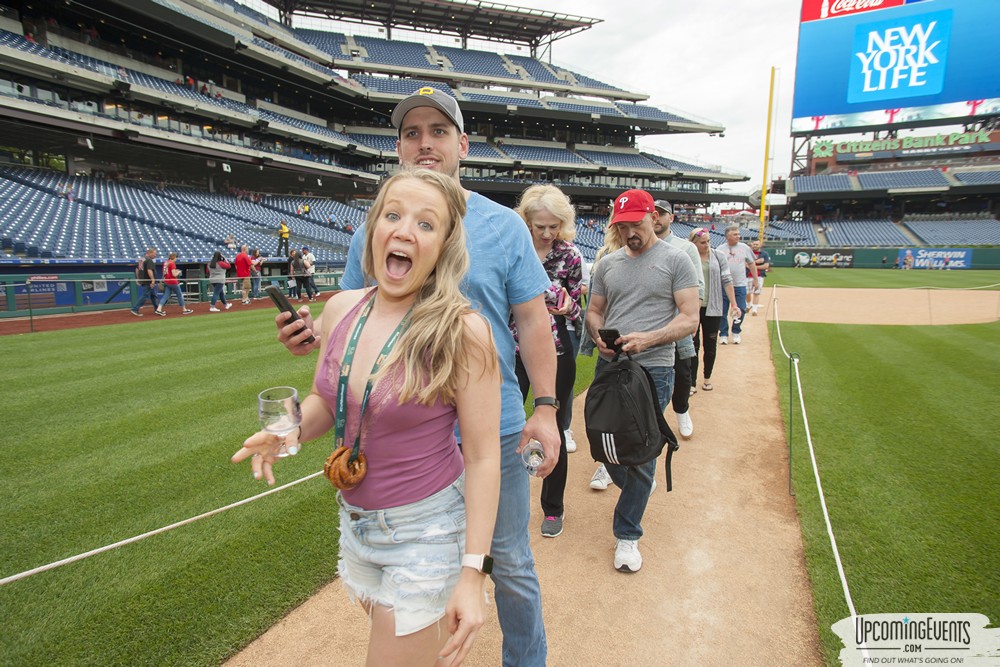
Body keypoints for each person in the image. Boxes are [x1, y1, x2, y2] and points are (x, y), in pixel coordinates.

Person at [275, 88, 558, 666]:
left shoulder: (504, 226)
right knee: (405, 604)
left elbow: (533, 321)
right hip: (397, 436)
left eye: (438, 131)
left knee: (507, 562)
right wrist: (312, 339)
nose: (424, 143)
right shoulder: (374, 231)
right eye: (411, 133)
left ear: (463, 144)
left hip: (492, 426)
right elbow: (358, 323)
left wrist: (548, 408)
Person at [234, 169, 502, 666]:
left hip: (426, 533)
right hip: (356, 528)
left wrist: (472, 574)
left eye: (426, 224)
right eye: (392, 215)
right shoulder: (341, 308)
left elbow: (485, 458)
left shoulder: (464, 332)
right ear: (374, 228)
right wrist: (286, 429)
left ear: (444, 246)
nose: (404, 231)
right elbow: (325, 400)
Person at [585, 189, 699, 572]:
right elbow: (594, 311)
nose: (629, 232)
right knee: (604, 442)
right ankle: (639, 484)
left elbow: (689, 318)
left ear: (653, 217)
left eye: (636, 224)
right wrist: (598, 335)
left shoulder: (676, 260)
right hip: (611, 366)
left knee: (642, 447)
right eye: (622, 226)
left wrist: (648, 339)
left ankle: (627, 534)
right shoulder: (608, 264)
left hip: (654, 368)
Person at [511, 184, 583, 538]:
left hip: (556, 350)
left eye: (554, 226)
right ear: (526, 221)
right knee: (506, 426)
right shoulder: (512, 247)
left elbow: (577, 307)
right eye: (540, 226)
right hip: (510, 350)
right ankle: (503, 503)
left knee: (552, 427)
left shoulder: (570, 255)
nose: (547, 233)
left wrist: (568, 307)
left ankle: (553, 508)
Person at [653, 199, 703, 438]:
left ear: (671, 218)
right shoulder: (640, 245)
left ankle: (682, 411)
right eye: (653, 213)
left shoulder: (686, 248)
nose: (656, 218)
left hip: (678, 321)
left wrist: (694, 319)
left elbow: (698, 287)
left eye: (662, 214)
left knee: (682, 372)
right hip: (650, 322)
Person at [688, 228, 740, 391]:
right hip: (692, 308)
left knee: (710, 346)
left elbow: (727, 280)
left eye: (708, 241)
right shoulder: (687, 256)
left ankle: (707, 378)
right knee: (692, 346)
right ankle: (691, 382)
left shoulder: (718, 256)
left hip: (713, 307)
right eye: (702, 242)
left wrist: (734, 304)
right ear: (694, 244)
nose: (707, 245)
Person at [718, 225, 757, 345]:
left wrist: (755, 279)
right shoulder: (720, 249)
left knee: (741, 308)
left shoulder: (744, 248)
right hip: (723, 285)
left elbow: (752, 264)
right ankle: (723, 333)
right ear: (727, 236)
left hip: (740, 284)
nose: (738, 236)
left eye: (738, 234)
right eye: (735, 234)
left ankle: (736, 331)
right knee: (722, 311)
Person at [130, 247, 159, 317]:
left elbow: (137, 269)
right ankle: (135, 309)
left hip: (144, 280)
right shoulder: (149, 260)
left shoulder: (141, 259)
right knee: (145, 296)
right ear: (150, 253)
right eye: (154, 254)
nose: (155, 255)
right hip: (148, 281)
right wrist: (153, 280)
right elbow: (149, 270)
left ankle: (157, 309)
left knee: (154, 296)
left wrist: (138, 279)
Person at [748, 239, 770, 316]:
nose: (755, 246)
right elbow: (745, 264)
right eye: (754, 244)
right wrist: (757, 262)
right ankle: (748, 304)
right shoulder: (748, 253)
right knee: (747, 293)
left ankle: (754, 310)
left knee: (756, 293)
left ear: (760, 245)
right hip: (747, 276)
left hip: (759, 276)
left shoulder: (764, 254)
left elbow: (766, 266)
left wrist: (753, 266)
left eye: (757, 244)